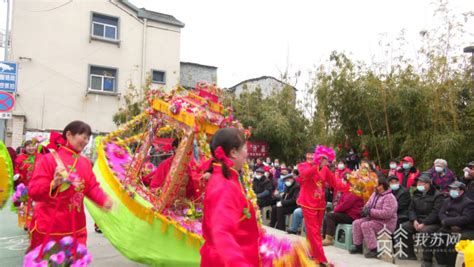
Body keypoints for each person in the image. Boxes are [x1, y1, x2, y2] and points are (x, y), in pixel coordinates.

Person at [28, 121, 113, 251]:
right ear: (69, 134)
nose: (86, 141)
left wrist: (104, 200)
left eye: (88, 138)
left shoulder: (85, 163)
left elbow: (92, 187)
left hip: (76, 228)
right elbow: (34, 191)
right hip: (49, 227)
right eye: (83, 137)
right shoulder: (49, 159)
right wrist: (54, 184)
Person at [200, 128, 259, 266]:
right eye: (245, 148)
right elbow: (222, 233)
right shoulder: (224, 185)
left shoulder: (229, 178)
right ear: (233, 153)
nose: (247, 153)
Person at [297, 145, 348, 265]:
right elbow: (305, 175)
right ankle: (321, 259)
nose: (310, 156)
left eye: (312, 154)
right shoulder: (303, 166)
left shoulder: (325, 170)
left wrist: (351, 188)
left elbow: (335, 183)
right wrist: (317, 165)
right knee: (314, 232)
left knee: (314, 232)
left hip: (320, 204)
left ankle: (311, 254)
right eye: (308, 154)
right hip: (308, 203)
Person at [399, 172, 443, 262]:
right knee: (403, 227)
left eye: (421, 183)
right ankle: (409, 254)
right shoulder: (416, 194)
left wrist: (424, 223)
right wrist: (414, 220)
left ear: (428, 184)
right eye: (418, 183)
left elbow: (435, 212)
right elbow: (411, 209)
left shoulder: (438, 195)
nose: (418, 185)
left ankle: (427, 260)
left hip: (432, 222)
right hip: (418, 220)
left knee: (425, 232)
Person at [350, 176, 398, 258]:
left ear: (383, 185)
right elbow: (368, 204)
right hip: (374, 219)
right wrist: (364, 210)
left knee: (366, 225)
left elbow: (387, 214)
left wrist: (370, 211)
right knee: (356, 223)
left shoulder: (389, 197)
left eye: (378, 185)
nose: (376, 187)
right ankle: (358, 245)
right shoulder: (375, 194)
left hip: (386, 223)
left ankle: (374, 249)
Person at [434, 181, 474, 266]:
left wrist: (447, 221)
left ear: (461, 191)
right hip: (448, 226)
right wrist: (447, 222)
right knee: (437, 237)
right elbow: (441, 213)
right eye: (451, 189)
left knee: (452, 242)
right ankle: (441, 263)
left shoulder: (469, 203)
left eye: (454, 189)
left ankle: (451, 264)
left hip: (464, 229)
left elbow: (466, 218)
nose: (452, 191)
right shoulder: (447, 201)